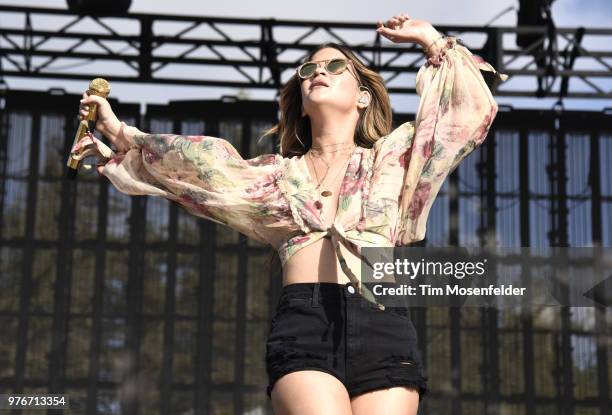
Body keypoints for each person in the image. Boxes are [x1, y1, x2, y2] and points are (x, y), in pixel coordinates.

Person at [72, 12, 506, 415]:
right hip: (306, 322)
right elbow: (200, 169)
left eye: (336, 67)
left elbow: (466, 115)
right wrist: (117, 131)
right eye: (309, 70)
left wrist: (431, 40)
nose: (318, 72)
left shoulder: (394, 158)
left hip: (383, 322)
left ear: (362, 97)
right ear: (299, 99)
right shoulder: (277, 177)